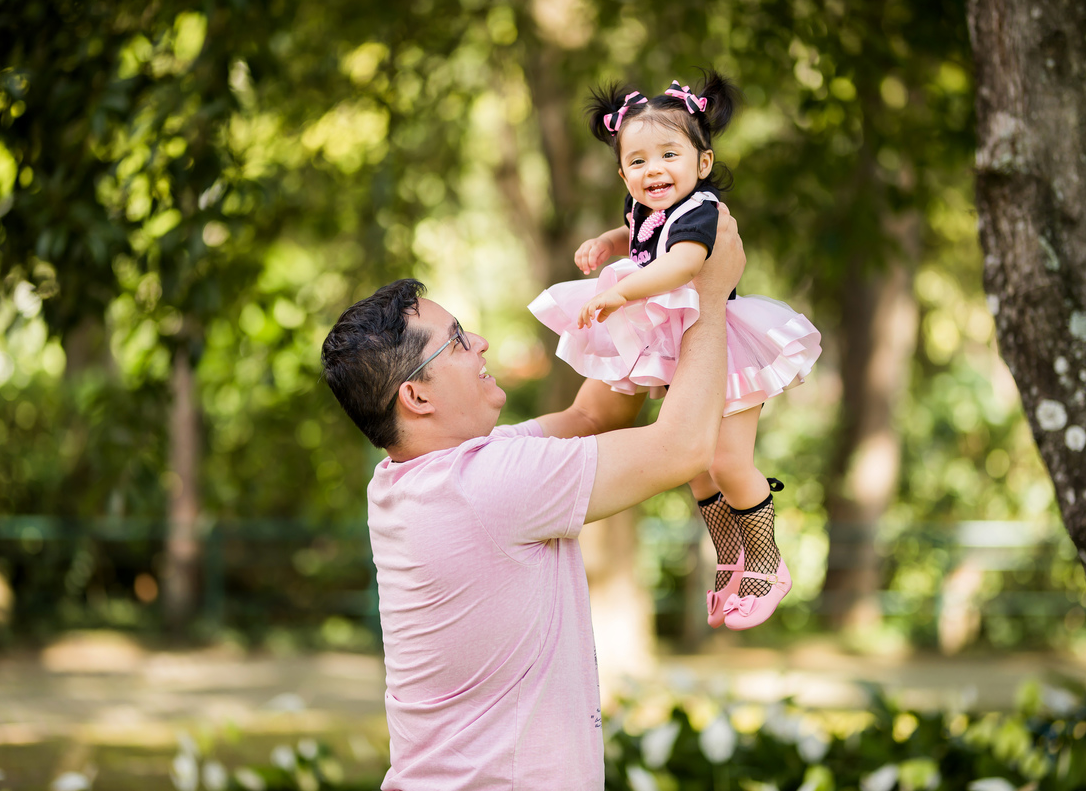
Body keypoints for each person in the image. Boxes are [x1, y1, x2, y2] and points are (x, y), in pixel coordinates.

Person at [320, 214, 744, 790]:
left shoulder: (414, 478)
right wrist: (709, 296)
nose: (481, 343)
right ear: (416, 396)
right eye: (457, 341)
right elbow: (684, 449)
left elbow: (592, 417)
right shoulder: (488, 485)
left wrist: (650, 295)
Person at [529, 70, 822, 630]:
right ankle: (730, 557)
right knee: (695, 468)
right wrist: (606, 244)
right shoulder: (645, 206)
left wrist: (619, 292)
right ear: (623, 173)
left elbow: (681, 263)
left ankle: (766, 559)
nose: (653, 169)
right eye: (638, 162)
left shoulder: (700, 212)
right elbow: (636, 236)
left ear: (702, 164)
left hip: (726, 346)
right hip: (683, 342)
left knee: (727, 459)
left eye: (669, 154)